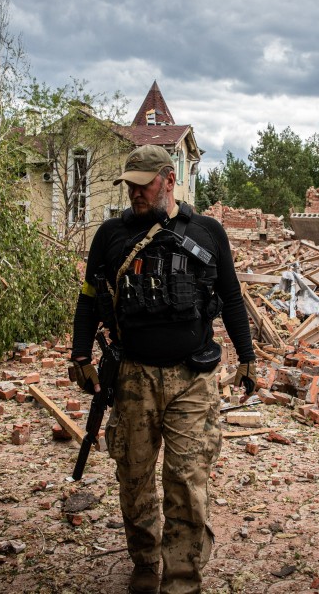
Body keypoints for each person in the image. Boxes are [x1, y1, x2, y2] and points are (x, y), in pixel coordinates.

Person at [69, 144, 257, 594]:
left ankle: (182, 580)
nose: (135, 192)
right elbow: (90, 299)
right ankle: (144, 560)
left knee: (187, 481)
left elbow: (231, 297)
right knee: (133, 476)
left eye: (144, 184)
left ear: (169, 180)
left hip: (192, 377)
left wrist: (247, 357)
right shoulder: (110, 236)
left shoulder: (208, 232)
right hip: (133, 376)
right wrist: (80, 356)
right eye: (129, 184)